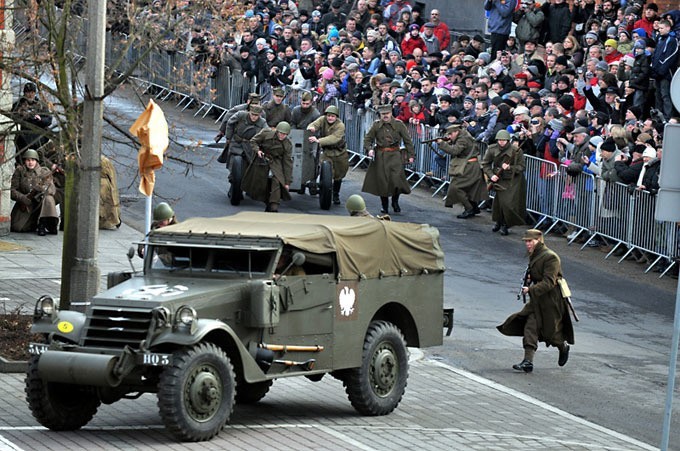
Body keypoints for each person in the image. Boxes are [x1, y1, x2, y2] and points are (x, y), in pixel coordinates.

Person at [497, 229, 575, 373]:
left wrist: (530, 290)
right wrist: (529, 280)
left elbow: (549, 282)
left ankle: (562, 346)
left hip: (552, 300)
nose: (527, 244)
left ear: (538, 240)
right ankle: (528, 361)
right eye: (526, 241)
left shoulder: (551, 257)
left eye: (530, 241)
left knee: (550, 332)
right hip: (537, 299)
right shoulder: (535, 254)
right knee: (530, 327)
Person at [361, 104, 415, 214]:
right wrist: (369, 149)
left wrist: (411, 156)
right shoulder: (376, 125)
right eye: (383, 114)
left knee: (396, 180)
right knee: (382, 182)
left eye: (387, 113)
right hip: (381, 155)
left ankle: (395, 201)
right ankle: (384, 205)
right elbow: (367, 139)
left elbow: (408, 141)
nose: (385, 116)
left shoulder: (399, 125)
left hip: (395, 154)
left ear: (391, 113)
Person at [438, 124, 489, 219]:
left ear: (457, 132)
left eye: (451, 134)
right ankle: (474, 207)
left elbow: (455, 151)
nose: (449, 136)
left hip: (469, 166)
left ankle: (469, 208)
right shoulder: (463, 136)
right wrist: (449, 142)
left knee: (456, 187)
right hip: (469, 165)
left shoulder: (463, 139)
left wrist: (442, 144)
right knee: (469, 188)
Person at [481, 130, 526, 235]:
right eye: (500, 140)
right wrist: (491, 175)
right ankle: (499, 221)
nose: (501, 142)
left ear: (508, 141)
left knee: (508, 204)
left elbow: (522, 167)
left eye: (504, 140)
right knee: (499, 203)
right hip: (499, 178)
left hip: (513, 180)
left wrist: (510, 167)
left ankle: (506, 224)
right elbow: (485, 164)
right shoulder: (492, 149)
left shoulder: (516, 151)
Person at [242, 121, 293, 212]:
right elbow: (253, 141)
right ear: (277, 131)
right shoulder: (266, 133)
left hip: (276, 161)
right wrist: (258, 151)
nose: (282, 136)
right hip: (262, 158)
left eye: (285, 134)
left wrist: (287, 182)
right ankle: (266, 201)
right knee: (260, 180)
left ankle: (274, 204)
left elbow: (287, 163)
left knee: (277, 180)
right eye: (281, 133)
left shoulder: (287, 144)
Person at [306, 105, 348, 206]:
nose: (330, 118)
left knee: (339, 175)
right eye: (329, 115)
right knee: (326, 172)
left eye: (333, 116)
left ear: (336, 117)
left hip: (339, 152)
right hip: (327, 152)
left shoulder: (340, 126)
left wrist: (319, 140)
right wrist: (311, 128)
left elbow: (334, 138)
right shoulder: (322, 119)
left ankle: (336, 194)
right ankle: (323, 189)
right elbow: (313, 124)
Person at [10, 149, 59, 235]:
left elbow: (52, 189)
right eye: (28, 160)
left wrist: (42, 189)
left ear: (36, 161)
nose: (30, 162)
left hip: (41, 204)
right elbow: (12, 191)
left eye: (33, 160)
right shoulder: (20, 171)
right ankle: (34, 222)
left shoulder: (44, 171)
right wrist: (24, 198)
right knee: (18, 227)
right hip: (27, 204)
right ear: (25, 161)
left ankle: (43, 223)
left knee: (48, 198)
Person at [215, 92, 262, 163]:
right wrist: (223, 132)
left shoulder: (261, 113)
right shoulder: (239, 110)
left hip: (252, 141)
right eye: (253, 104)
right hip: (237, 139)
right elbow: (227, 120)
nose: (255, 106)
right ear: (248, 102)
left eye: (257, 104)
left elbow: (264, 126)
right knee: (233, 160)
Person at [12, 82, 52, 157]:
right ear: (24, 93)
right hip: (24, 136)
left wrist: (40, 119)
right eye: (28, 92)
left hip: (38, 136)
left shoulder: (41, 105)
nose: (30, 94)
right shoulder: (18, 105)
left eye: (32, 92)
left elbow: (49, 120)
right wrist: (25, 116)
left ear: (34, 93)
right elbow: (13, 117)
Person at [99, 155, 121, 230]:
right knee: (107, 203)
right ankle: (112, 220)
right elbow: (112, 176)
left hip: (97, 184)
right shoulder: (104, 160)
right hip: (104, 185)